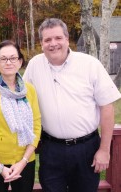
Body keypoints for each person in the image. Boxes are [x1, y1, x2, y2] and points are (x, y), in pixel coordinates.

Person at [23, 18, 121, 192]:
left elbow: (107, 107)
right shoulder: (34, 66)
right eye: (47, 40)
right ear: (41, 43)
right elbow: (23, 101)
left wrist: (104, 150)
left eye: (58, 38)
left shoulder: (90, 65)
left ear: (68, 39)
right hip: (50, 149)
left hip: (86, 150)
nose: (53, 44)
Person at [0, 40, 42, 192]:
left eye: (13, 58)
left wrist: (24, 161)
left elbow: (36, 125)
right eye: (3, 59)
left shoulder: (29, 90)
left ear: (20, 62)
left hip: (24, 160)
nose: (8, 62)